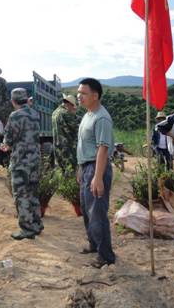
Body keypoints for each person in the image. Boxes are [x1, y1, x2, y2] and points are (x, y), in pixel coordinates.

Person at [76, 78, 116, 268]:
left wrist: (97, 177)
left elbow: (103, 149)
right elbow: (84, 145)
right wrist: (80, 168)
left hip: (96, 167)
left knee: (97, 213)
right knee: (86, 210)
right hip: (86, 167)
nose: (79, 96)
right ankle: (94, 245)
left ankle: (106, 256)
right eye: (78, 92)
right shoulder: (88, 114)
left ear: (95, 95)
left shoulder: (102, 117)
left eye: (83, 93)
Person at [1, 88, 43, 240]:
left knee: (21, 194)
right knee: (33, 191)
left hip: (21, 160)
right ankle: (37, 224)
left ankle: (27, 229)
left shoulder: (15, 115)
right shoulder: (35, 113)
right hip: (35, 159)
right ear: (26, 99)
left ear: (13, 101)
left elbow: (9, 138)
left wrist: (5, 144)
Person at [52, 94, 80, 175]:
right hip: (67, 148)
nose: (72, 108)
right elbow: (77, 128)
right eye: (72, 106)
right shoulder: (65, 113)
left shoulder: (55, 112)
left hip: (57, 147)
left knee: (60, 171)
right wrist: (74, 114)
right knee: (70, 171)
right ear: (69, 104)